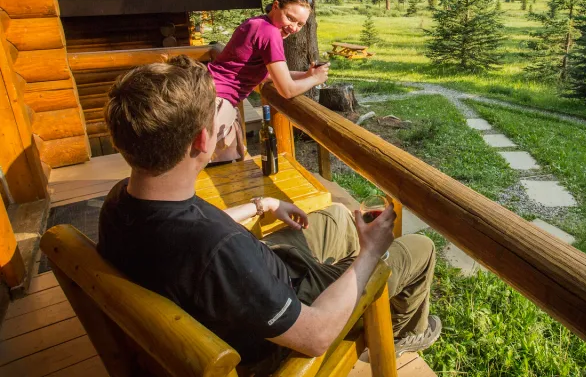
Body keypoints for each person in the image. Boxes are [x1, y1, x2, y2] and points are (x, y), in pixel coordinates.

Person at [97, 56, 441, 375]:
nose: (225, 112)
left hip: (254, 277)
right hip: (288, 322)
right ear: (203, 141)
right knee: (420, 249)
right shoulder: (219, 251)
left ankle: (344, 261)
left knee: (336, 215)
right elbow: (316, 335)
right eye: (217, 109)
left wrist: (261, 206)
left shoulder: (120, 201)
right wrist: (370, 254)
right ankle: (403, 333)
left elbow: (188, 235)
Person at [207, 0, 330, 162]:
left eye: (300, 24)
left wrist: (306, 75)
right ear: (276, 6)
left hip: (207, 94)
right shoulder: (270, 33)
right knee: (222, 171)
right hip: (216, 104)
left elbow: (268, 75)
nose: (293, 28)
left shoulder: (256, 23)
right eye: (290, 18)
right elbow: (287, 90)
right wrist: (316, 79)